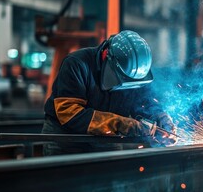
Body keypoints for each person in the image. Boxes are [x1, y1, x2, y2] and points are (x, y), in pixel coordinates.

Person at [42, 30, 176, 155]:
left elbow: (144, 102)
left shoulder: (136, 73)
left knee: (113, 178)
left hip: (108, 138)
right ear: (106, 55)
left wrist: (159, 116)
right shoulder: (77, 64)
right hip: (67, 139)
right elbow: (69, 114)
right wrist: (119, 123)